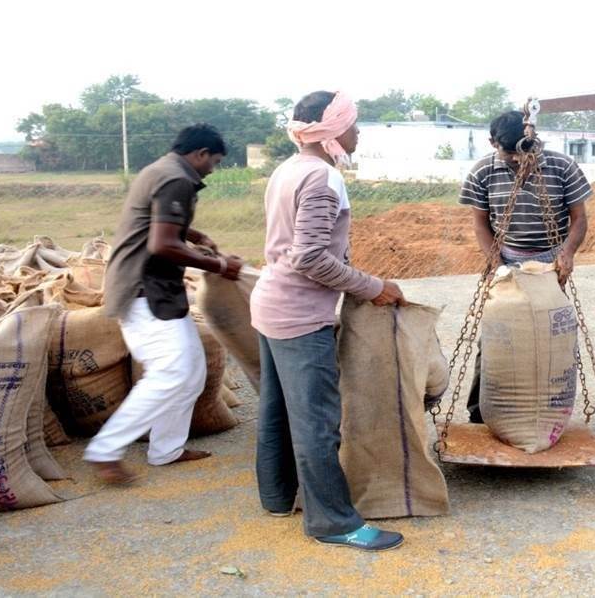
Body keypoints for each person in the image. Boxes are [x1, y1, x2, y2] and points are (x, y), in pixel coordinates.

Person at [250, 90, 406, 552]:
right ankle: (332, 522)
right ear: (334, 130)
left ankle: (278, 498)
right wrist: (373, 286)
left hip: (271, 303)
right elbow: (311, 257)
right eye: (354, 124)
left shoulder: (288, 169)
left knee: (277, 410)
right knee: (317, 423)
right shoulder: (322, 178)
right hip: (299, 314)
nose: (358, 132)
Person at [86, 123, 244, 484]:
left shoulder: (158, 169)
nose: (212, 169)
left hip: (156, 287)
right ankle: (104, 450)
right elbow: (161, 245)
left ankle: (167, 449)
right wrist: (220, 265)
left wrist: (193, 234)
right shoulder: (177, 179)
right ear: (200, 154)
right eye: (213, 161)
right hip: (144, 287)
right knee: (171, 371)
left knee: (190, 371)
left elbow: (152, 223)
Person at [458, 110, 592, 422]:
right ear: (492, 143)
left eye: (525, 153)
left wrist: (567, 253)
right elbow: (480, 223)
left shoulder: (561, 166)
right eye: (509, 154)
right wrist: (494, 264)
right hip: (505, 257)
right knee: (496, 335)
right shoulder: (482, 172)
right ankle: (480, 412)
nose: (519, 161)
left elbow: (579, 218)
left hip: (550, 260)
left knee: (551, 335)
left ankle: (548, 411)